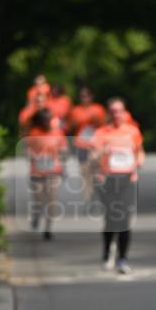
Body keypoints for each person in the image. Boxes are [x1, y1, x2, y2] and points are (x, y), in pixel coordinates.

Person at [91, 98, 145, 275]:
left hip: (128, 179)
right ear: (109, 113)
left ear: (124, 112)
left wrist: (139, 162)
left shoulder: (132, 131)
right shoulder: (101, 133)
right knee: (110, 219)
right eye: (113, 111)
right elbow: (92, 157)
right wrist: (101, 152)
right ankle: (107, 252)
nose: (116, 114)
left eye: (119, 111)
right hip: (108, 180)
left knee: (125, 219)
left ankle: (123, 258)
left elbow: (139, 151)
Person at [26, 107, 68, 240]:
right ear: (40, 121)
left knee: (51, 200)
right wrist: (35, 156)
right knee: (39, 199)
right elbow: (27, 149)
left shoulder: (58, 132)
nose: (47, 122)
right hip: (37, 171)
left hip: (53, 171)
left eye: (48, 119)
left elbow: (64, 149)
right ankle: (36, 215)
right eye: (44, 120)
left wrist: (62, 158)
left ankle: (48, 229)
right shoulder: (34, 132)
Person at [69, 87, 107, 205]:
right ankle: (88, 199)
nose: (84, 98)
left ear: (91, 97)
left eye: (86, 96)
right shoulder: (75, 110)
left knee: (96, 172)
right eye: (82, 96)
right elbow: (71, 127)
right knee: (85, 172)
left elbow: (104, 126)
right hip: (81, 145)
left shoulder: (98, 109)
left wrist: (96, 121)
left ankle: (98, 194)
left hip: (96, 145)